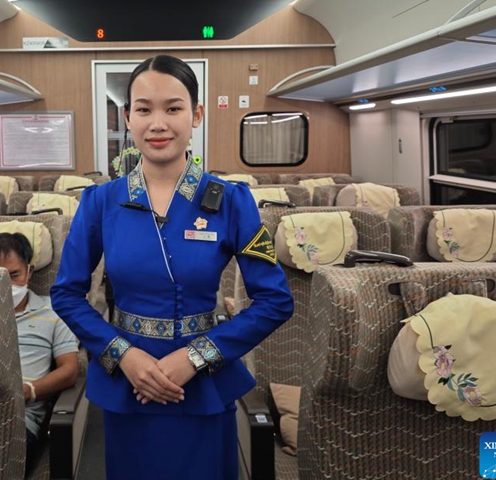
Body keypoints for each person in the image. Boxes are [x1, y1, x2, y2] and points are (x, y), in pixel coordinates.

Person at [50, 54, 294, 480]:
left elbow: (275, 301)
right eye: (144, 109)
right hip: (130, 386)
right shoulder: (99, 203)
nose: (157, 123)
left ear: (196, 115)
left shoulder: (232, 201)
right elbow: (66, 294)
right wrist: (122, 355)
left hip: (202, 383)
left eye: (173, 108)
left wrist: (197, 356)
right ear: (127, 117)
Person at [0, 232, 79, 462]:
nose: (6, 285)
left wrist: (29, 391)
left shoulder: (54, 312)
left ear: (29, 271)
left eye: (14, 275)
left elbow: (70, 370)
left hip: (18, 418)